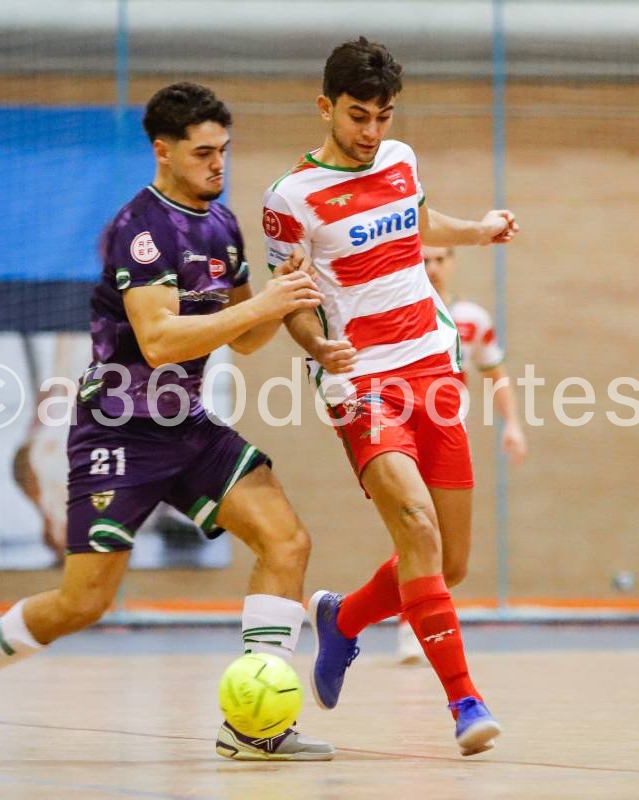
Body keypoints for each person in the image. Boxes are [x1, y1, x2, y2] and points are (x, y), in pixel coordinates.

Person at [0, 81, 334, 763]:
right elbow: (160, 342)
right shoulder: (141, 229)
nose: (219, 166)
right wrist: (264, 304)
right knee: (83, 602)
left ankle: (254, 725)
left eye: (225, 151)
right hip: (119, 432)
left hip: (186, 424)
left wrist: (284, 297)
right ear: (162, 151)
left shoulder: (221, 226)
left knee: (287, 542)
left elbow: (244, 340)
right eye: (203, 153)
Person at [262, 37, 519, 756]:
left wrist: (479, 230)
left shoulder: (401, 161)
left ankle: (342, 621)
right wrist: (318, 347)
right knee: (417, 528)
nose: (372, 133)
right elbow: (288, 299)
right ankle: (465, 702)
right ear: (325, 107)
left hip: (432, 369)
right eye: (357, 117)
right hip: (361, 380)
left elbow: (419, 224)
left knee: (449, 562)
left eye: (382, 117)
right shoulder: (292, 198)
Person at [395, 245, 529, 665]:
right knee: (418, 525)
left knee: (450, 553)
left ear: (452, 262)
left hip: (448, 434)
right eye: (424, 259)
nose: (432, 268)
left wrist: (513, 424)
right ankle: (411, 626)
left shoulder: (472, 319)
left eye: (440, 259)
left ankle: (411, 618)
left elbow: (495, 373)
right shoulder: (397, 309)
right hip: (403, 430)